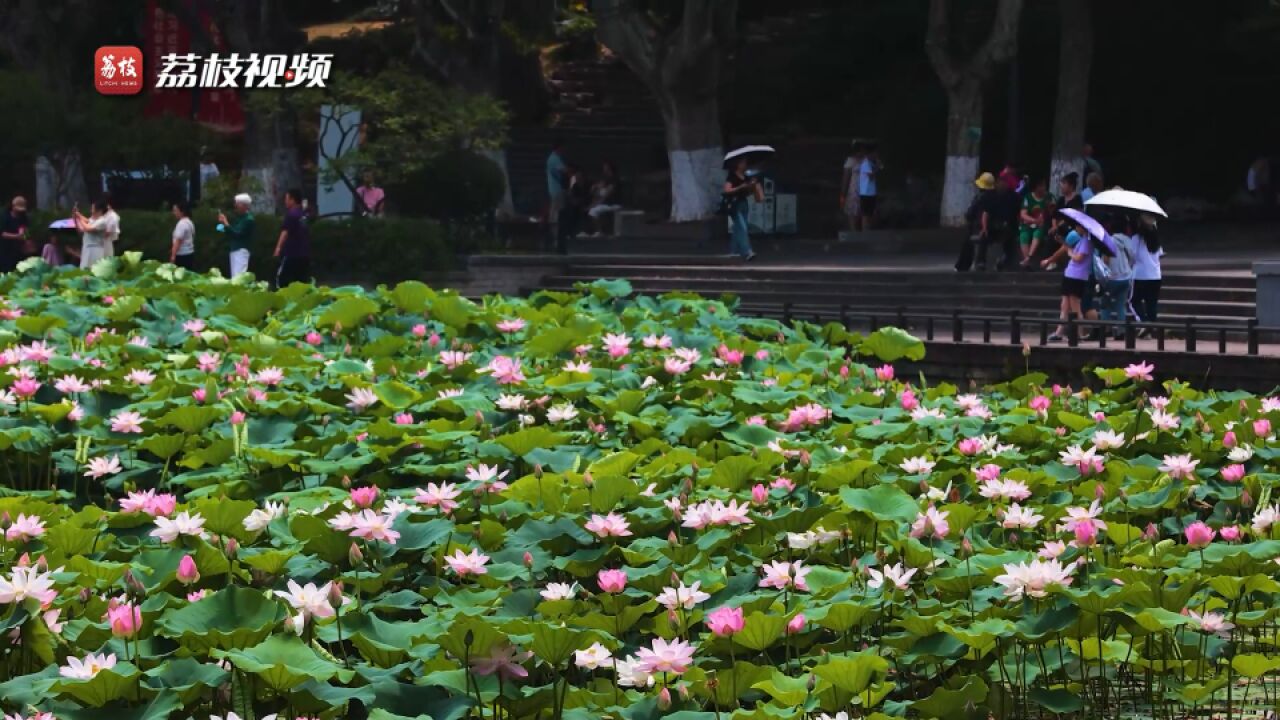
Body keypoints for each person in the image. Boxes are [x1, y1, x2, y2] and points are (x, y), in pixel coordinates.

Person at [1097, 217, 1135, 337]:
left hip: (1112, 278)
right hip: (1125, 277)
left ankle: (1105, 329)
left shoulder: (1108, 240)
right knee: (1121, 305)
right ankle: (1121, 331)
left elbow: (1105, 260)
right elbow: (1133, 256)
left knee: (1105, 305)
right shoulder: (1127, 240)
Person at [976, 174, 1019, 270]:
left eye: (1004, 183)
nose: (1002, 185)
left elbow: (1018, 214)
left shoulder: (1013, 197)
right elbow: (985, 213)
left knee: (1010, 238)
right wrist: (984, 227)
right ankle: (981, 262)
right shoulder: (990, 196)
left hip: (1008, 226)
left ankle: (1004, 260)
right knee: (984, 237)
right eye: (1000, 183)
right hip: (992, 226)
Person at [723, 157, 763, 261]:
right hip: (734, 204)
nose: (745, 165)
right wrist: (740, 187)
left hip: (743, 204)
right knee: (742, 228)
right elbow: (727, 190)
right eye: (743, 163)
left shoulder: (746, 177)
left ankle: (733, 252)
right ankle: (747, 251)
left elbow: (749, 192)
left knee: (738, 229)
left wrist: (752, 186)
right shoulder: (732, 176)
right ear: (738, 164)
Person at [955, 172, 996, 272]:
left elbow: (970, 213)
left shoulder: (980, 197)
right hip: (993, 226)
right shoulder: (995, 197)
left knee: (967, 243)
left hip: (978, 227)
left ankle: (962, 266)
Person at [1130, 215, 1164, 329]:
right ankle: (1151, 326)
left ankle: (1144, 324)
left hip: (1140, 275)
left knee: (1134, 301)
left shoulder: (1136, 239)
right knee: (1152, 303)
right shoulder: (1156, 239)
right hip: (1156, 275)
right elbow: (1160, 254)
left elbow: (1132, 255)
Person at [274, 189, 312, 289]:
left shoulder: (291, 215)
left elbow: (285, 233)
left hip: (291, 253)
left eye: (287, 198)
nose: (285, 201)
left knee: (282, 279)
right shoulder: (304, 215)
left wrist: (278, 248)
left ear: (293, 200)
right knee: (301, 281)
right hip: (304, 254)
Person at [72, 197, 116, 269]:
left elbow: (88, 228)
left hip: (95, 250)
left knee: (92, 271)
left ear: (99, 210)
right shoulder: (92, 220)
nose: (91, 209)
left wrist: (78, 217)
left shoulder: (102, 222)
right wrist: (75, 218)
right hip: (87, 248)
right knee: (84, 271)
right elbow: (81, 229)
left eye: (93, 208)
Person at [219, 193, 255, 278]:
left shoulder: (248, 220)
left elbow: (237, 234)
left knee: (238, 277)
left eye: (238, 203)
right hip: (235, 249)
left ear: (245, 205)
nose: (235, 206)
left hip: (241, 250)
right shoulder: (240, 218)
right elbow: (231, 232)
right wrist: (223, 226)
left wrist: (226, 223)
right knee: (234, 276)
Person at [1017, 177, 1051, 268]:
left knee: (1038, 232)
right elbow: (1023, 214)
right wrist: (1033, 220)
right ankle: (1027, 261)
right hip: (1028, 223)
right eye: (1041, 186)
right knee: (1024, 235)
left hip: (1041, 225)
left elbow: (1052, 211)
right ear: (1036, 187)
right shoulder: (1027, 197)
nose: (1044, 188)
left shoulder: (1048, 197)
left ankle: (1029, 257)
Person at [587, 161, 623, 235]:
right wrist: (594, 187)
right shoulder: (606, 179)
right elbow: (598, 189)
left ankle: (599, 232)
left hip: (613, 204)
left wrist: (594, 204)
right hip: (606, 203)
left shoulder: (614, 179)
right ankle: (598, 231)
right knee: (592, 209)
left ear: (609, 169)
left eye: (605, 167)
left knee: (593, 212)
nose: (603, 169)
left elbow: (607, 194)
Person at [0, 196, 31, 272]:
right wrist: (16, 236)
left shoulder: (23, 217)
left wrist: (25, 235)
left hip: (19, 249)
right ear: (13, 206)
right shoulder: (5, 217)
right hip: (6, 249)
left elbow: (26, 230)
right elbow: (2, 233)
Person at [546, 140, 568, 244]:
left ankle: (555, 236)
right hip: (557, 189)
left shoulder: (553, 158)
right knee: (556, 213)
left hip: (555, 189)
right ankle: (555, 237)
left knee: (555, 212)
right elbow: (564, 171)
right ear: (559, 147)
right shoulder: (555, 158)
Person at [841, 141, 866, 232]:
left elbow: (845, 179)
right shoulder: (864, 161)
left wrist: (843, 195)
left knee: (854, 217)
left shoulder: (851, 161)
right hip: (859, 192)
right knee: (860, 217)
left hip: (856, 192)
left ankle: (856, 236)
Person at [857, 144, 880, 230]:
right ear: (872, 153)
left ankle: (868, 231)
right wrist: (877, 168)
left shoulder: (871, 163)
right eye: (876, 153)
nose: (877, 156)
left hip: (871, 192)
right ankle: (865, 233)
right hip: (865, 193)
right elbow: (871, 176)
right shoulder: (866, 163)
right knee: (866, 215)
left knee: (870, 214)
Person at [169, 201, 196, 269]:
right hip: (189, 253)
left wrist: (173, 256)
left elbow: (178, 241)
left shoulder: (182, 224)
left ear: (182, 211)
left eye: (175, 210)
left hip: (182, 255)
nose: (174, 213)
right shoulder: (189, 222)